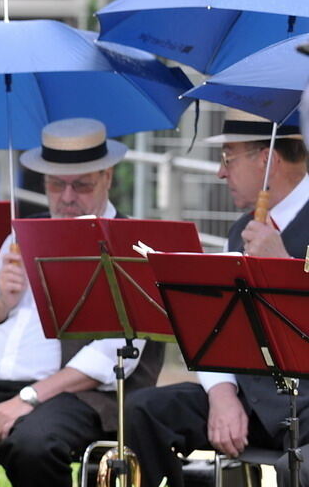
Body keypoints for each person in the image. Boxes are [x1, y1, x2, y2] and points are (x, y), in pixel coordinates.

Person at [0, 118, 163, 487]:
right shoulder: (20, 236)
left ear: (107, 177)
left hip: (78, 396)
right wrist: (1, 303)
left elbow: (111, 358)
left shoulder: (132, 245)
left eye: (81, 185)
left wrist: (27, 399)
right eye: (55, 184)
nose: (66, 197)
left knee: (35, 444)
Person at [126, 107, 309, 487]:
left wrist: (282, 263)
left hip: (306, 408)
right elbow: (216, 326)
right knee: (144, 411)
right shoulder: (243, 228)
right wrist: (222, 394)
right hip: (252, 401)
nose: (220, 172)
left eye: (228, 157)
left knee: (299, 469)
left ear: (268, 159)